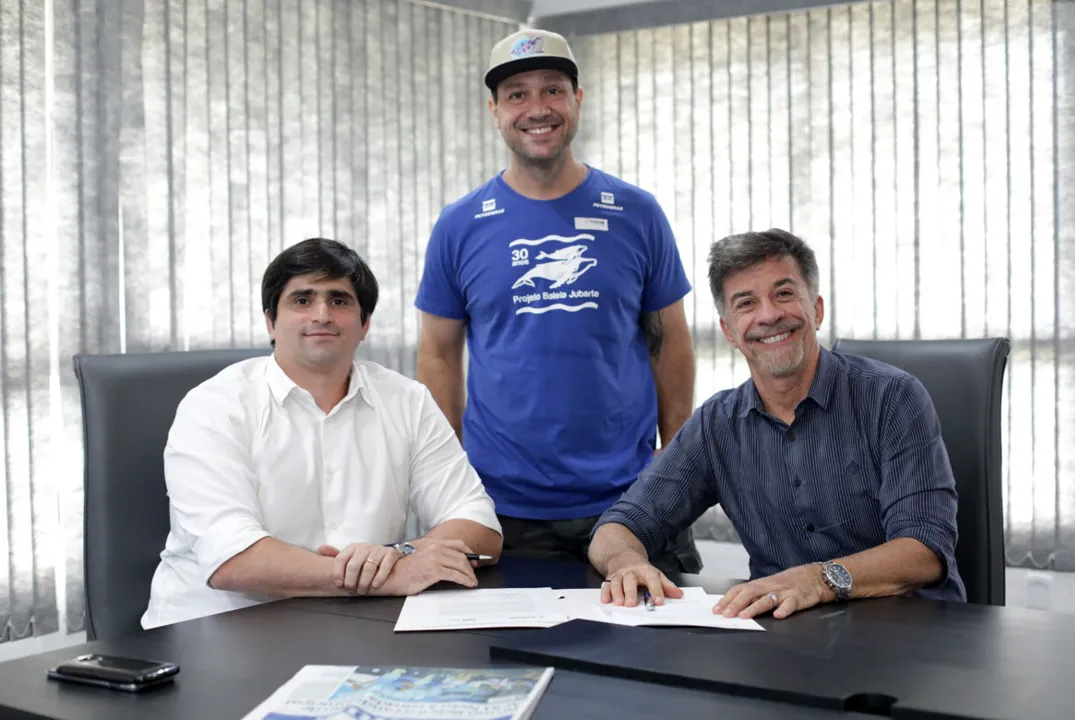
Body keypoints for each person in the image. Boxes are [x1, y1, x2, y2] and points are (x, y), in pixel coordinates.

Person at [414, 28, 699, 575]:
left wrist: (676, 453)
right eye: (517, 94)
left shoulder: (637, 213)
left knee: (652, 652)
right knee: (514, 656)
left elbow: (670, 340)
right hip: (503, 506)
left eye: (552, 90)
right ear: (495, 111)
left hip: (631, 497)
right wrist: (447, 473)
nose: (536, 108)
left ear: (577, 100)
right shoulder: (459, 226)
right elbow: (439, 355)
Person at [588, 229, 967, 619]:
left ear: (816, 310)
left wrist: (816, 580)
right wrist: (625, 564)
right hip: (787, 640)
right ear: (729, 331)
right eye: (746, 303)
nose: (768, 315)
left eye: (784, 294)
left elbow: (925, 549)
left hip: (911, 634)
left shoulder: (893, 398)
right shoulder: (718, 424)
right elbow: (618, 526)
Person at [142, 238, 503, 629]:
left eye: (339, 301)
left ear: (364, 324)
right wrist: (388, 577)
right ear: (271, 322)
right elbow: (233, 561)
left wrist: (402, 551)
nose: (322, 315)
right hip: (214, 632)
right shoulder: (215, 406)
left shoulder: (407, 401)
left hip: (356, 629)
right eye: (302, 300)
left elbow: (480, 526)